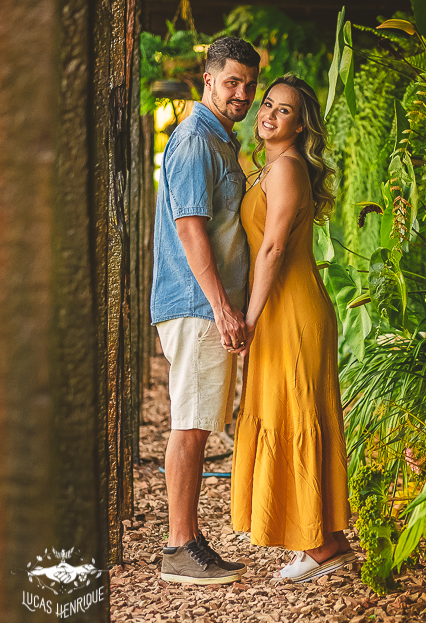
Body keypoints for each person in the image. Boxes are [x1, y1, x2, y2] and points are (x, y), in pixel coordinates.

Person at [230, 75, 353, 582]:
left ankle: (321, 546)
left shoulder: (286, 170)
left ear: (301, 125)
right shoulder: (267, 168)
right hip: (283, 307)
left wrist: (251, 319)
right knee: (291, 409)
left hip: (290, 312)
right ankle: (323, 538)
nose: (268, 115)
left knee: (298, 411)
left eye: (283, 111)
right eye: (266, 105)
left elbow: (274, 248)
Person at [150, 36, 260, 585]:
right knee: (190, 426)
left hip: (202, 304)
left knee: (195, 423)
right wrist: (221, 306)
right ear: (208, 79)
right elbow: (190, 227)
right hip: (197, 304)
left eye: (248, 84)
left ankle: (189, 538)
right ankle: (177, 548)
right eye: (232, 82)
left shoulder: (218, 139)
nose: (241, 93)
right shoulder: (196, 139)